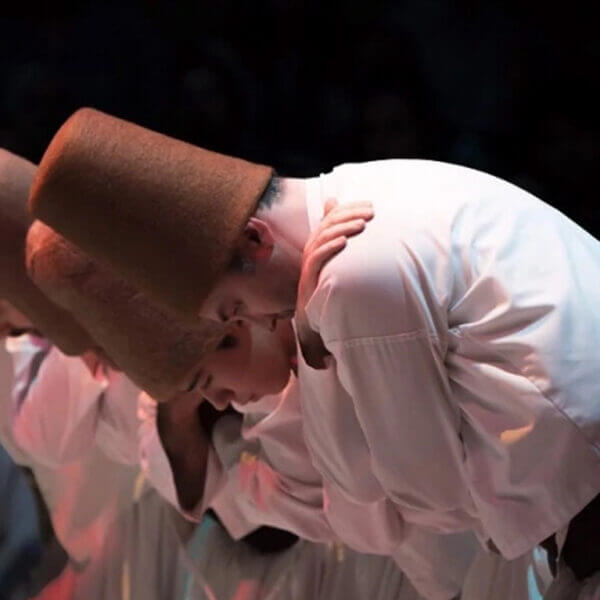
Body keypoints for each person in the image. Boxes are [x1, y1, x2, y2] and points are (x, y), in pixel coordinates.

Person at [28, 108, 600, 595]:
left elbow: (434, 502)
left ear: (255, 238)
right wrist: (309, 330)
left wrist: (314, 345)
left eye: (234, 312)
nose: (259, 321)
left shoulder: (348, 277)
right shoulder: (359, 187)